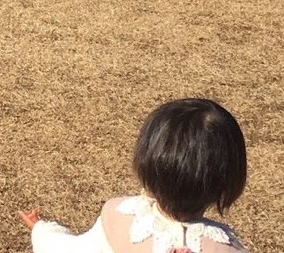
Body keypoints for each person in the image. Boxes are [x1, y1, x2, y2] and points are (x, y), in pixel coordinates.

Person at [19, 98, 249, 252]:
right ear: (228, 180)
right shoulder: (227, 247)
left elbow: (69, 250)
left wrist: (42, 230)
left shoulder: (119, 217)